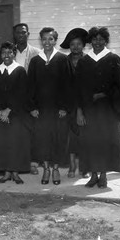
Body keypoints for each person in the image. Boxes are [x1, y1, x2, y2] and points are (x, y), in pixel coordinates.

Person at [76, 26, 120, 188]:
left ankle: (104, 175)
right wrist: (79, 111)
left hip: (108, 110)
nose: (97, 42)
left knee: (106, 141)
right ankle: (93, 175)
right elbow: (77, 89)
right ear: (90, 41)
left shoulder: (114, 60)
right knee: (90, 142)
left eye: (101, 39)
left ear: (106, 41)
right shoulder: (84, 62)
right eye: (94, 39)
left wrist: (103, 94)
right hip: (89, 110)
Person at [27, 27, 71, 185]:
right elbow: (30, 87)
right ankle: (46, 169)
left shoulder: (62, 59)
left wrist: (65, 107)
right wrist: (32, 107)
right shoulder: (35, 61)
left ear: (55, 40)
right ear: (40, 40)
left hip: (58, 110)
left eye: (50, 39)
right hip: (41, 110)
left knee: (58, 139)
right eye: (44, 39)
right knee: (43, 140)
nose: (47, 42)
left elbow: (68, 85)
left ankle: (56, 169)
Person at [0, 41, 30, 184]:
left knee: (15, 143)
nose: (6, 55)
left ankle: (16, 172)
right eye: (3, 53)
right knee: (2, 143)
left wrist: (8, 110)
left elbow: (22, 94)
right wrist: (0, 111)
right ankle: (6, 172)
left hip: (16, 113)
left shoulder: (20, 70)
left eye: (9, 52)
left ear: (14, 54)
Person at [59, 27, 90, 178]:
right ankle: (72, 165)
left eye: (78, 44)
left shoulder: (89, 61)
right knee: (71, 137)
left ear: (83, 45)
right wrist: (63, 107)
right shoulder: (64, 62)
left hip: (85, 106)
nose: (75, 47)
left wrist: (82, 109)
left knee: (85, 137)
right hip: (68, 106)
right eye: (72, 44)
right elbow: (60, 86)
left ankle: (84, 167)